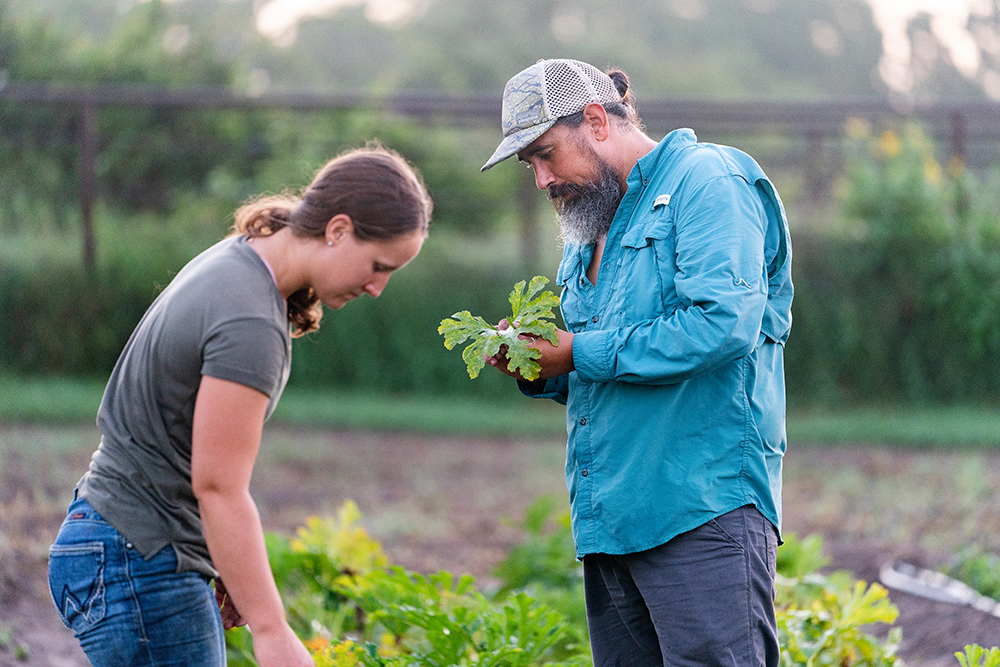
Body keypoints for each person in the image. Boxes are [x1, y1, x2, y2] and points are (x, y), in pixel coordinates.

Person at [47, 144, 432, 667]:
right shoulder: (251, 320)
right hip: (139, 561)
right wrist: (271, 631)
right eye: (378, 265)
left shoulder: (241, 259)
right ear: (338, 229)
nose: (379, 287)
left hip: (116, 544)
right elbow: (218, 486)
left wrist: (226, 563)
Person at [480, 59, 793, 666]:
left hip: (701, 511)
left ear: (596, 120)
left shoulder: (709, 181)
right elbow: (605, 374)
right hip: (611, 521)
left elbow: (722, 325)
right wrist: (537, 365)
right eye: (529, 166)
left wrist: (576, 351)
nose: (541, 179)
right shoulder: (589, 224)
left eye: (546, 154)